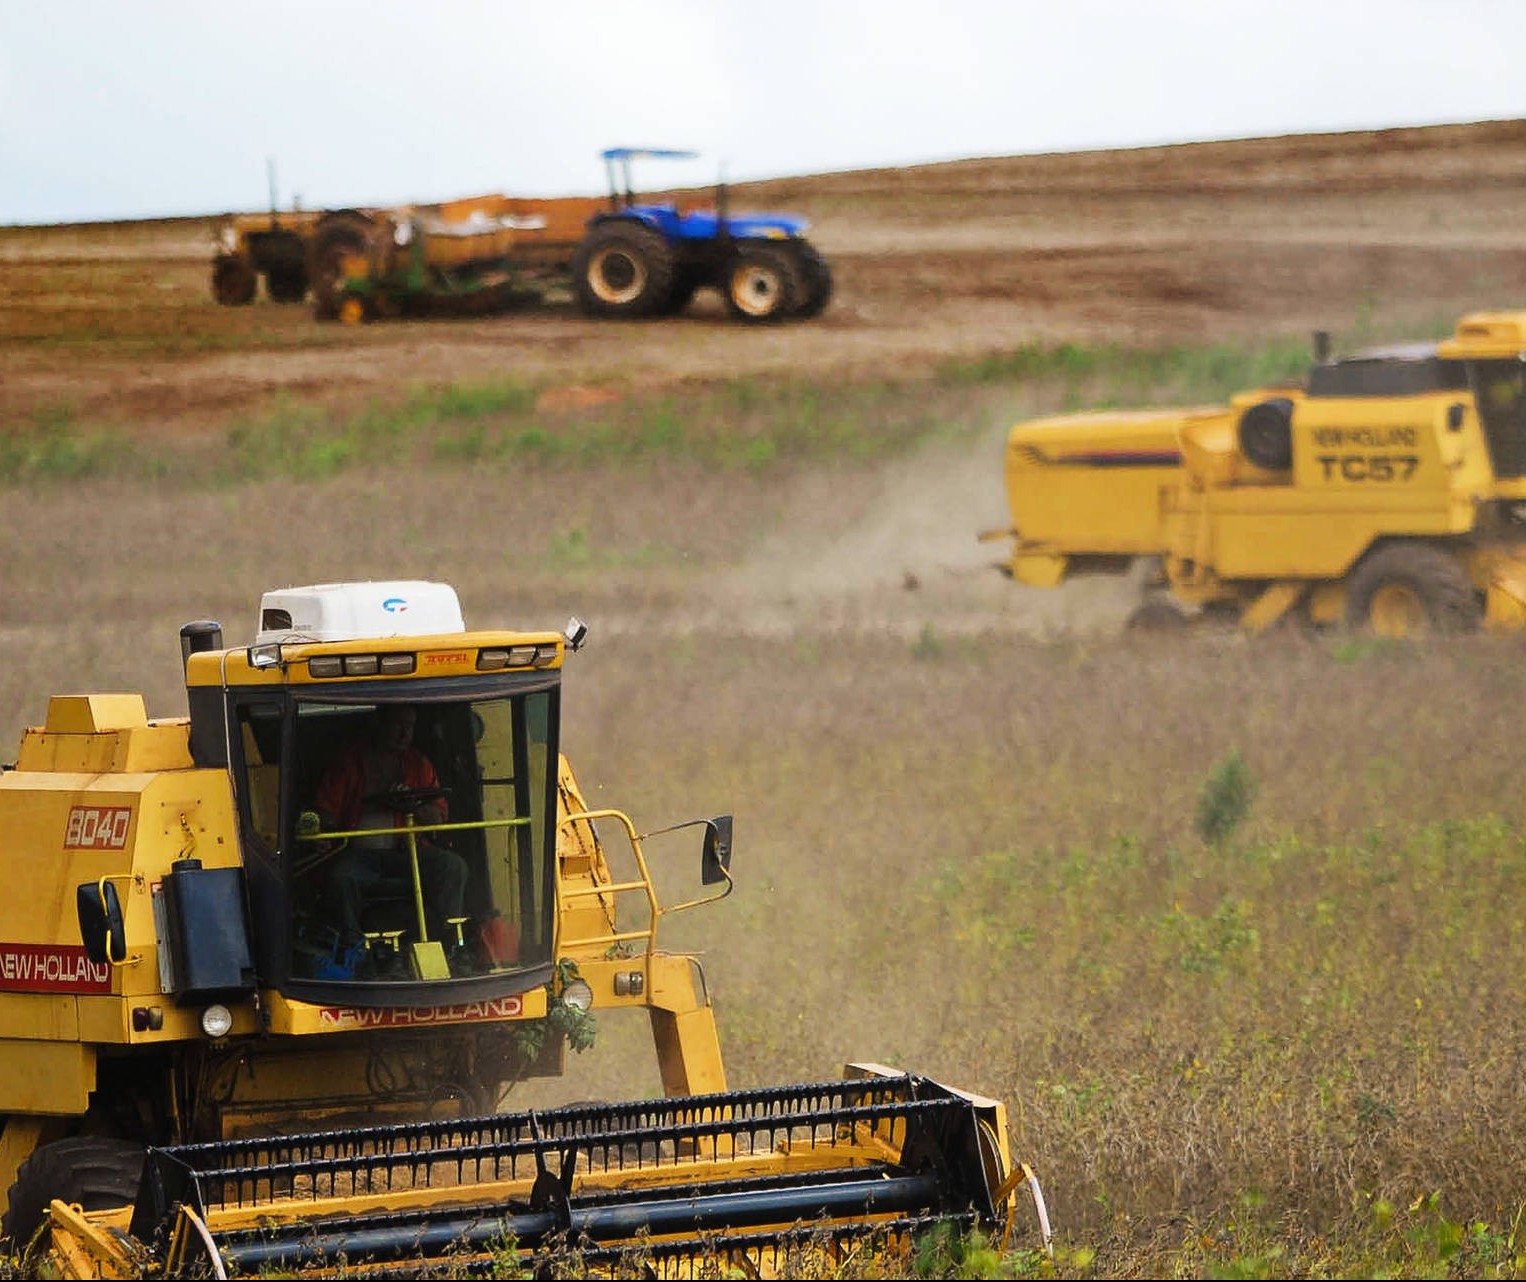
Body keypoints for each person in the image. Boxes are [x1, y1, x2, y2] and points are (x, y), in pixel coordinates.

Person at [312, 704, 469, 957]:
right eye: (398, 725)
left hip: (408, 854)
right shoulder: (350, 763)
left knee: (453, 867)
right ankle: (354, 950)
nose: (404, 733)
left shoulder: (420, 765)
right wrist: (325, 828)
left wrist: (412, 804)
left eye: (410, 727)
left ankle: (445, 945)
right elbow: (325, 810)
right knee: (341, 878)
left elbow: (438, 817)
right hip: (360, 856)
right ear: (379, 724)